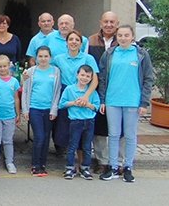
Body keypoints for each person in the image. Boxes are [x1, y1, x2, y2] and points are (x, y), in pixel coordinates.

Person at [98, 25, 153, 183]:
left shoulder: (141, 54)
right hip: (112, 100)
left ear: (132, 36)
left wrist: (144, 102)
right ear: (117, 37)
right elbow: (102, 78)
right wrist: (102, 99)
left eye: (126, 35)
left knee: (130, 135)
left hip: (132, 101)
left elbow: (148, 79)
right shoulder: (109, 54)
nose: (123, 38)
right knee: (113, 135)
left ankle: (128, 166)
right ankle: (113, 166)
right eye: (120, 35)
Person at [51, 30, 99, 156]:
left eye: (77, 40)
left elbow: (95, 80)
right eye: (71, 39)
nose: (74, 42)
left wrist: (86, 97)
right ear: (66, 43)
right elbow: (48, 71)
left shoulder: (88, 58)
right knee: (65, 128)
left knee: (81, 128)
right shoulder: (58, 59)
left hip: (84, 92)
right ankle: (68, 160)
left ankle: (81, 162)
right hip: (66, 93)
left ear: (81, 43)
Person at [88, 11, 123, 174]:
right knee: (100, 128)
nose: (109, 25)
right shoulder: (91, 40)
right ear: (101, 23)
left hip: (118, 89)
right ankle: (102, 160)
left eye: (112, 22)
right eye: (106, 21)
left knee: (120, 129)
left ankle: (119, 162)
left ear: (117, 23)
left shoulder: (123, 39)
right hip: (97, 89)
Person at [21, 46, 62, 177]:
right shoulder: (30, 72)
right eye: (40, 56)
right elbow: (25, 91)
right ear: (36, 58)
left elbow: (57, 92)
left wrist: (54, 109)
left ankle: (42, 164)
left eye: (46, 56)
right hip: (35, 109)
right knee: (39, 137)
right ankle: (35, 165)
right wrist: (25, 109)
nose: (43, 59)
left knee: (46, 137)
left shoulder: (55, 71)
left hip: (48, 109)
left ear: (50, 58)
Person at [60, 64, 100, 180]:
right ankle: (69, 167)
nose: (84, 78)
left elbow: (96, 107)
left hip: (89, 121)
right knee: (72, 145)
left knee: (87, 146)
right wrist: (73, 103)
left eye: (88, 76)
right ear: (77, 75)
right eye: (82, 75)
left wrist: (88, 104)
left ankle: (85, 168)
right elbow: (62, 104)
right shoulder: (70, 89)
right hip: (75, 121)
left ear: (91, 78)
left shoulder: (92, 92)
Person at [0, 55, 20, 174]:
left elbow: (16, 98)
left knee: (8, 140)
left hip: (9, 115)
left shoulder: (14, 81)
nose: (2, 69)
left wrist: (18, 113)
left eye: (5, 66)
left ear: (9, 66)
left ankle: (9, 162)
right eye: (0, 66)